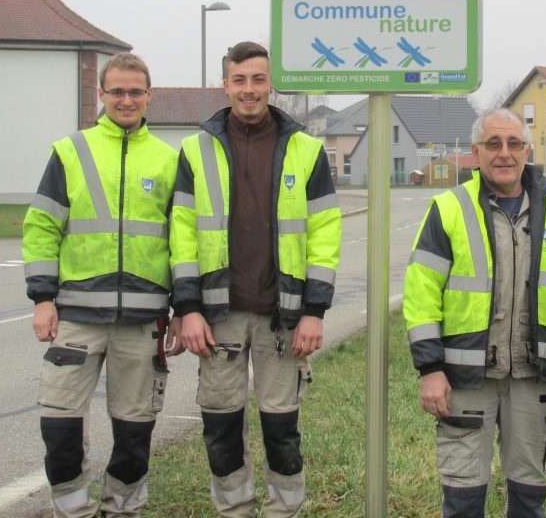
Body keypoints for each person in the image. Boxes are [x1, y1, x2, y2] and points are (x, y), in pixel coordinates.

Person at [170, 41, 341, 518]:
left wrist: (313, 311)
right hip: (218, 317)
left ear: (271, 84)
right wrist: (186, 309)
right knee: (221, 426)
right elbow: (181, 235)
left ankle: (284, 510)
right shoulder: (194, 149)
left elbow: (325, 235)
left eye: (258, 80)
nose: (249, 90)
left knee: (281, 427)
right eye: (240, 80)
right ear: (226, 84)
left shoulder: (306, 151)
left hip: (281, 319)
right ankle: (235, 510)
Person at [23, 52, 178, 518]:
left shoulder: (170, 160)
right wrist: (42, 299)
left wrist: (183, 307)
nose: (126, 100)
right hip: (75, 315)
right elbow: (42, 227)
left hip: (142, 320)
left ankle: (121, 509)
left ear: (150, 96)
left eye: (135, 91)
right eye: (117, 91)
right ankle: (72, 510)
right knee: (60, 426)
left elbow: (184, 242)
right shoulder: (70, 151)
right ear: (102, 95)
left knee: (135, 433)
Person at [403, 108, 546, 518]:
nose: (504, 153)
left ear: (527, 150)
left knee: (529, 494)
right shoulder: (448, 208)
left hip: (530, 376)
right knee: (463, 496)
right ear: (476, 152)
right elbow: (421, 295)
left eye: (514, 144)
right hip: (465, 377)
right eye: (493, 144)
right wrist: (430, 370)